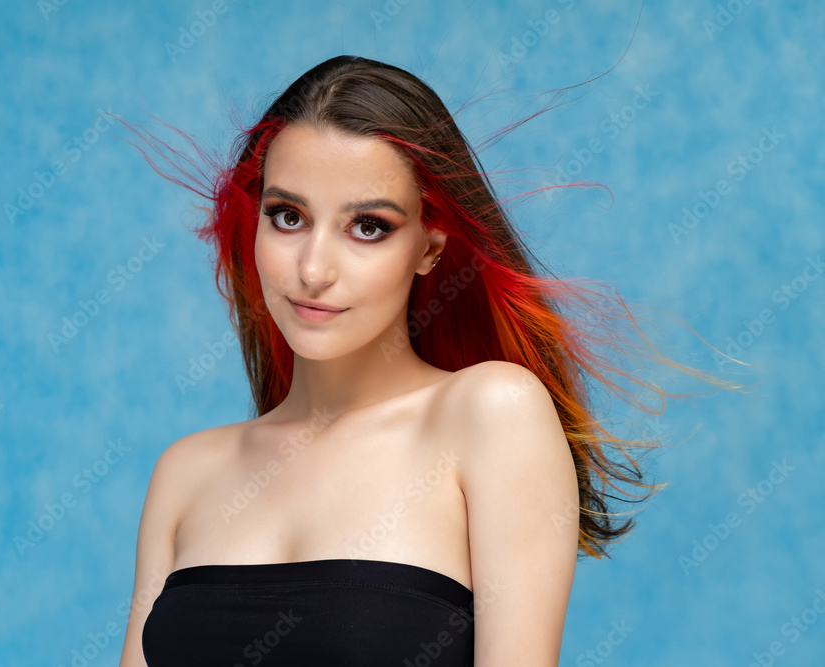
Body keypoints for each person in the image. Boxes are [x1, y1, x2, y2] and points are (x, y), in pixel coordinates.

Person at [116, 55, 734, 666]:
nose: (312, 270)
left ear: (430, 247)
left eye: (367, 227)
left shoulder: (491, 415)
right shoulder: (187, 473)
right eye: (288, 217)